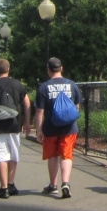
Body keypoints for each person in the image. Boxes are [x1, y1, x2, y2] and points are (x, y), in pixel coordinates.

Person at [0, 58, 31, 199]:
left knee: (1, 156)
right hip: (15, 124)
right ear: (8, 69)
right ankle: (11, 183)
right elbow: (27, 103)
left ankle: (3, 188)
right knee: (13, 154)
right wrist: (27, 122)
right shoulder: (17, 85)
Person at [35, 57, 82, 199]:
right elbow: (77, 106)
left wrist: (39, 130)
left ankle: (53, 185)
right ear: (61, 68)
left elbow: (39, 112)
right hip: (69, 128)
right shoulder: (71, 84)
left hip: (50, 127)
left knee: (53, 156)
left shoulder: (44, 87)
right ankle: (66, 183)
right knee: (66, 155)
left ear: (48, 70)